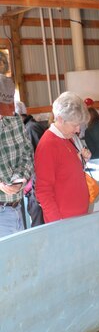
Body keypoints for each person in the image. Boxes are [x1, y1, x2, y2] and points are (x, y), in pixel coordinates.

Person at [34, 92, 91, 223]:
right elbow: (43, 191)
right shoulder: (48, 145)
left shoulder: (67, 138)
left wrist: (81, 160)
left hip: (77, 218)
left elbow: (65, 173)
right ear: (60, 119)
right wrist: (58, 224)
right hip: (64, 223)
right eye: (75, 125)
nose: (78, 130)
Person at [0, 76, 34, 237]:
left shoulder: (15, 122)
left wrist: (20, 179)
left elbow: (27, 154)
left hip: (17, 206)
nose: (9, 111)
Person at [15, 100, 47, 228]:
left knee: (39, 227)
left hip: (37, 189)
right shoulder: (33, 126)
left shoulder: (30, 129)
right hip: (35, 188)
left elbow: (38, 162)